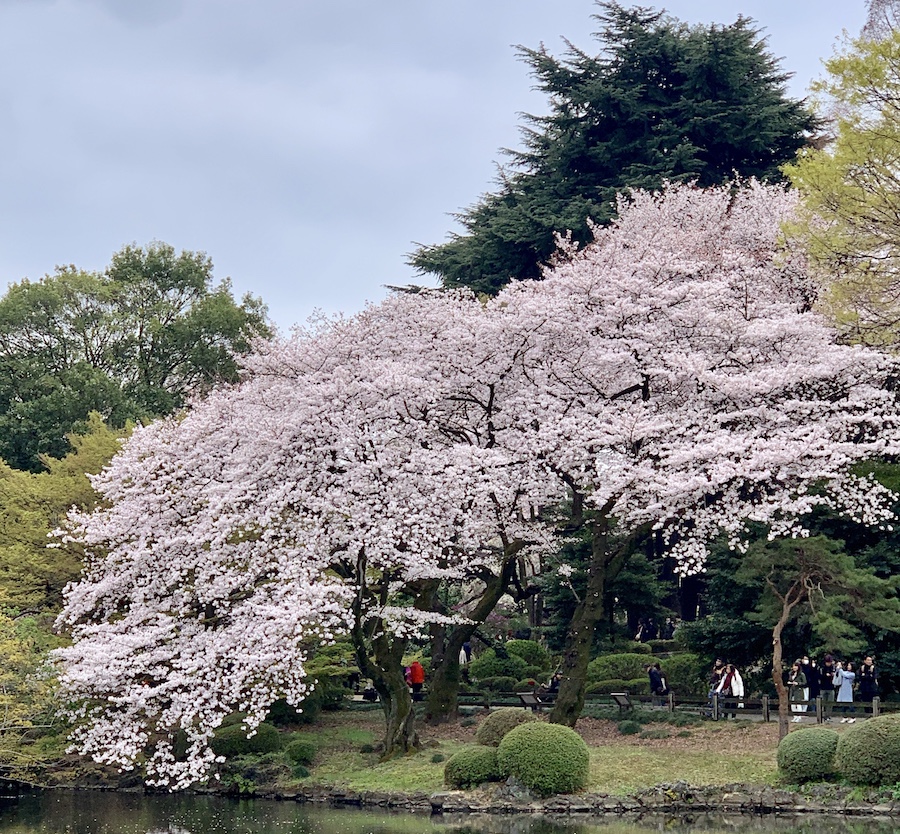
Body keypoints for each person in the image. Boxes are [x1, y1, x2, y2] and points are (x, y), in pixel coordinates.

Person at [819, 654, 837, 721]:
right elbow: (819, 676)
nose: (828, 664)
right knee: (823, 703)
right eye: (827, 662)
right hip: (823, 687)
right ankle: (822, 715)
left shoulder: (833, 668)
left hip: (831, 687)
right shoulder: (822, 668)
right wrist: (825, 675)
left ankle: (828, 716)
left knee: (830, 703)